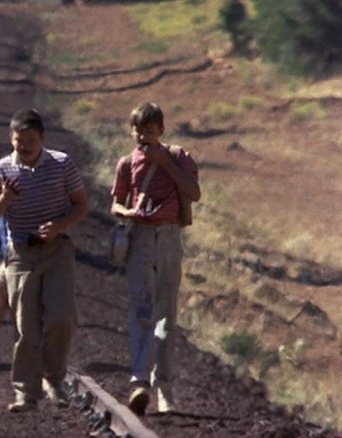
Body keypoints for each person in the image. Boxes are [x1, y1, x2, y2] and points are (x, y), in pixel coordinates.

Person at [0, 108, 89, 413]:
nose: (25, 147)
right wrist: (5, 198)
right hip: (22, 253)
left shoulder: (61, 163)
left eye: (31, 141)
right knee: (25, 326)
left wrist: (59, 226)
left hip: (57, 249)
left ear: (42, 137)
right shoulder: (3, 168)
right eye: (19, 141)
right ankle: (25, 392)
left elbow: (81, 205)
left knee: (61, 318)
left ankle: (54, 380)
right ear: (11, 138)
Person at [110, 101, 200, 416]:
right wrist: (127, 212)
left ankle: (164, 388)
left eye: (150, 131)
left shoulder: (178, 156)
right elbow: (116, 203)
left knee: (166, 318)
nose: (143, 137)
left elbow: (194, 192)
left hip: (169, 238)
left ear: (161, 130)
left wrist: (165, 163)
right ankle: (139, 382)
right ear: (131, 131)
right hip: (141, 238)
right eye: (139, 131)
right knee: (141, 311)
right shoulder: (126, 164)